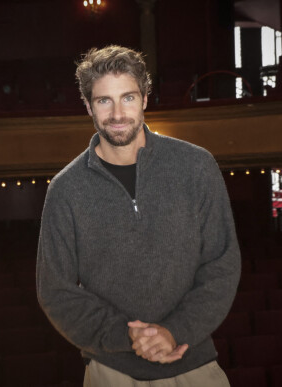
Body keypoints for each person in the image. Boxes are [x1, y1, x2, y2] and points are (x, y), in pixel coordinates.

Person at [36, 45, 241, 386]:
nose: (118, 113)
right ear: (88, 106)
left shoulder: (196, 166)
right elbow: (55, 291)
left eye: (128, 98)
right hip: (111, 372)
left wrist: (175, 331)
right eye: (104, 101)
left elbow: (222, 264)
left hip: (194, 364)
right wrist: (127, 337)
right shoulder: (65, 190)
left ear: (145, 99)